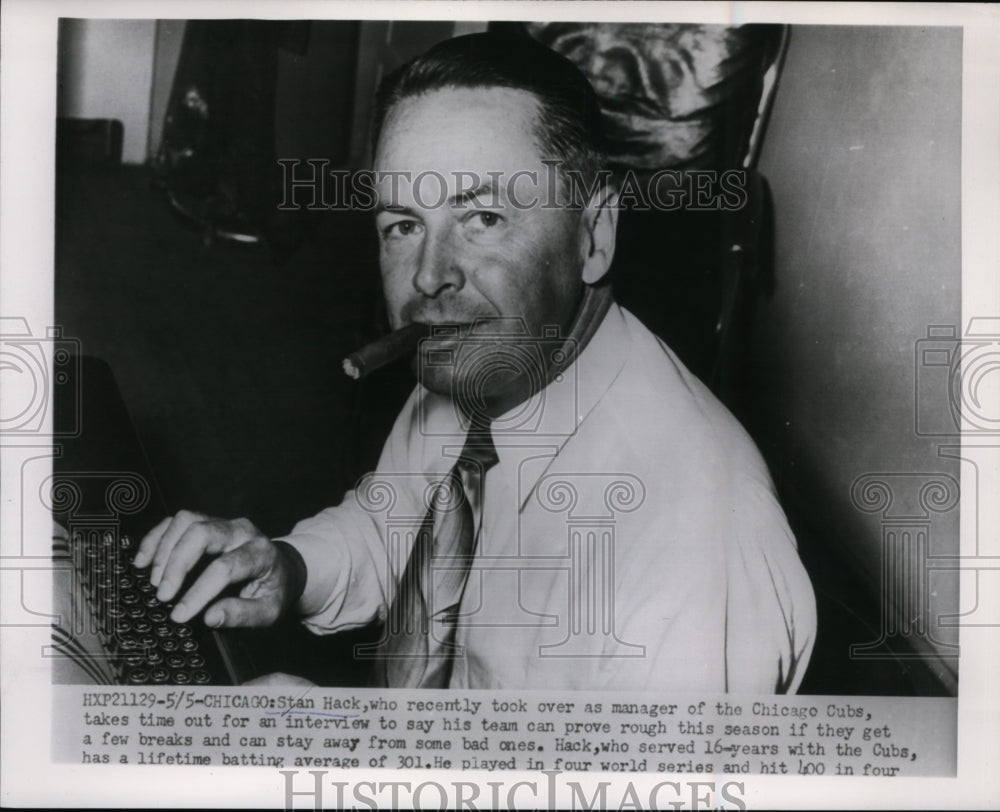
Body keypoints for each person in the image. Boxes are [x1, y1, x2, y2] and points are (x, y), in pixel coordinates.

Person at [136, 32, 815, 692]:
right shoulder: (488, 358)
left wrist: (347, 756)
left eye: (483, 217)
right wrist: (288, 567)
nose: (429, 278)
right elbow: (394, 523)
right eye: (403, 225)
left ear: (594, 234)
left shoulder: (697, 556)